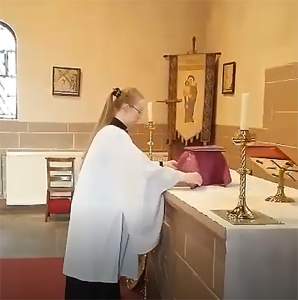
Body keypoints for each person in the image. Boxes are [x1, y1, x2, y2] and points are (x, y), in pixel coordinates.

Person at [63, 87, 202, 300]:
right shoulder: (114, 135)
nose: (140, 117)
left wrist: (163, 164)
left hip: (93, 212)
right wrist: (184, 177)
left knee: (91, 269)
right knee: (95, 273)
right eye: (139, 111)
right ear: (126, 108)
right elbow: (142, 172)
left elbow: (133, 166)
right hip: (98, 215)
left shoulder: (110, 133)